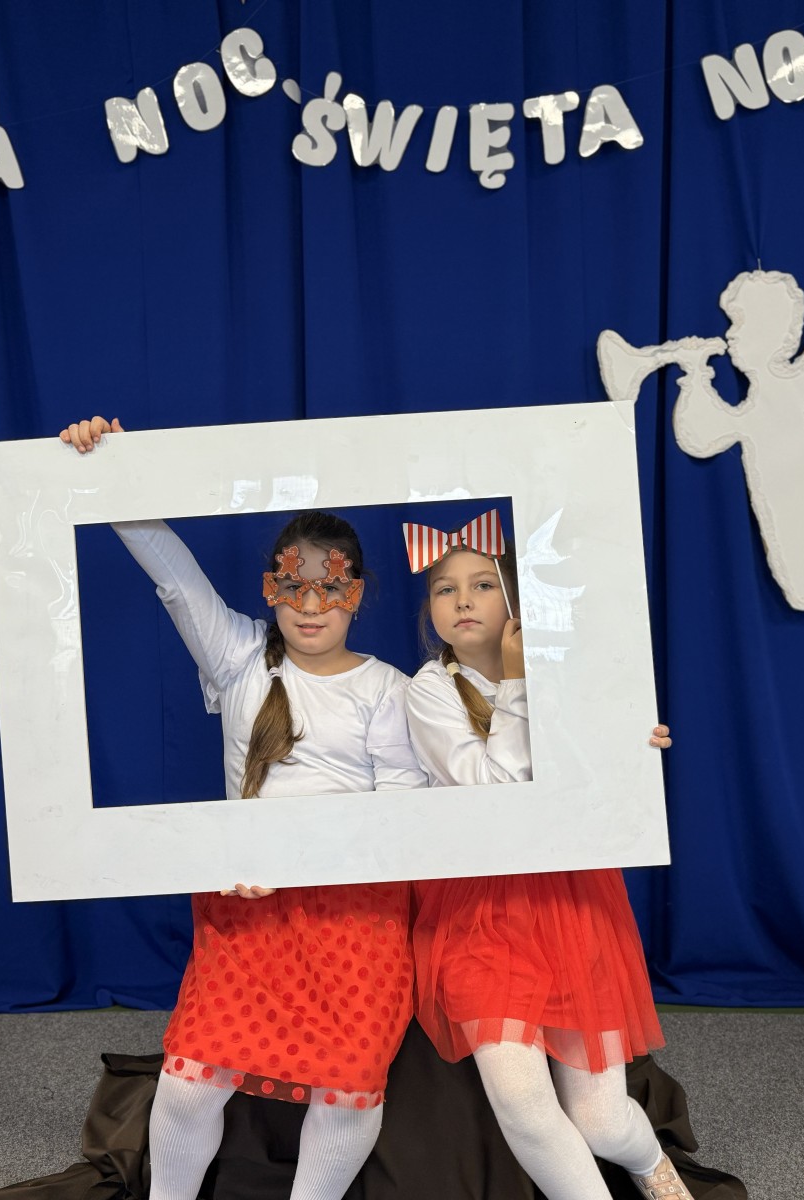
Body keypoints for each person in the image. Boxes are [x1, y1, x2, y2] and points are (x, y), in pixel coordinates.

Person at [60, 416, 429, 1200]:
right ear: (270, 590)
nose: (310, 604)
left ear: (358, 595)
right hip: (247, 910)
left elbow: (400, 813)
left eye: (331, 587)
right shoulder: (238, 658)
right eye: (293, 586)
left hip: (353, 916)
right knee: (192, 1081)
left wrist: (311, 865)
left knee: (349, 1084)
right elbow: (174, 577)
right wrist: (114, 469)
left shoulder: (387, 689)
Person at [402, 511, 694, 1200]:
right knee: (523, 1102)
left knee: (599, 1118)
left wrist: (633, 747)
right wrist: (514, 682)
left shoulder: (567, 676)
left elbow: (600, 780)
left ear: (514, 597)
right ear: (430, 611)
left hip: (569, 903)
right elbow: (492, 789)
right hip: (478, 912)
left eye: (482, 584)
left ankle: (656, 1170)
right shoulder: (429, 690)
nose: (464, 600)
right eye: (445, 589)